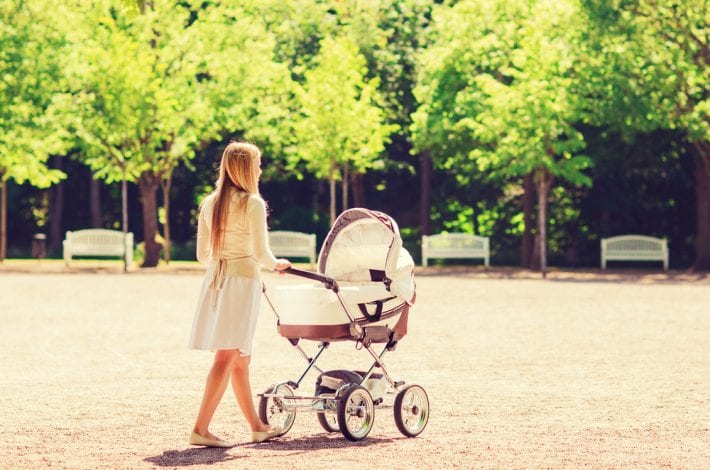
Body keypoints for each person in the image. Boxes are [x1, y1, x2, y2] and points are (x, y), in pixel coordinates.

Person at [188, 141, 291, 448]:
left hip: (216, 283)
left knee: (240, 359)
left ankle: (257, 427)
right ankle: (201, 429)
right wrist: (276, 265)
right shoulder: (252, 203)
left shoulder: (211, 202)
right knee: (228, 354)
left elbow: (202, 255)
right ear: (247, 168)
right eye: (257, 164)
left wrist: (225, 262)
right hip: (241, 285)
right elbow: (261, 251)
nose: (260, 170)